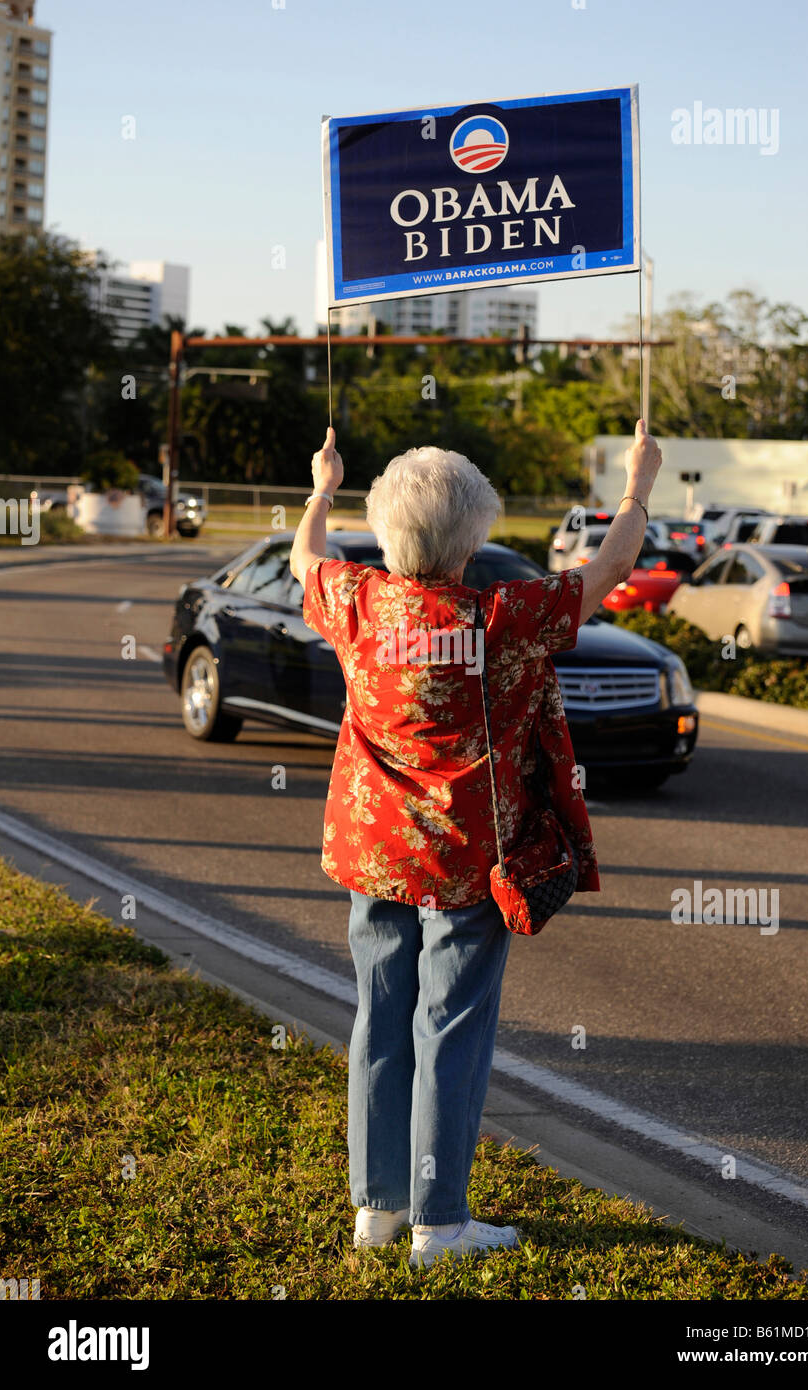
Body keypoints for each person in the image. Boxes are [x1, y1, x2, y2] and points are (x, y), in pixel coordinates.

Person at [290, 421, 662, 1267]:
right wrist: (638, 484)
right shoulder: (504, 617)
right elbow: (609, 571)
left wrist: (322, 486)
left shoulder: (355, 602)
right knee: (448, 1028)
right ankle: (439, 1224)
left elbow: (302, 558)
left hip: (375, 850)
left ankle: (377, 1211)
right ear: (474, 537)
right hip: (470, 859)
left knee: (378, 1018)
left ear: (388, 533)